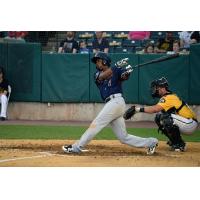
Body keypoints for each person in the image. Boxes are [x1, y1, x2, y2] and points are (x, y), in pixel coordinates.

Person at [62, 52, 158, 155]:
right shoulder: (97, 74)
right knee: (123, 137)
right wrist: (116, 66)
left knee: (97, 123)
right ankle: (151, 142)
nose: (96, 64)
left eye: (98, 61)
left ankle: (77, 147)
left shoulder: (117, 71)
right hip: (112, 104)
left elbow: (124, 76)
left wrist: (127, 72)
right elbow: (102, 77)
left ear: (104, 61)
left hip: (116, 101)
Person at [124, 77, 198, 152]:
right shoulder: (169, 97)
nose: (155, 90)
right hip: (185, 123)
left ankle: (179, 145)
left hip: (190, 124)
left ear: (162, 88)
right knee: (159, 117)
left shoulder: (169, 97)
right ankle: (174, 141)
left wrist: (137, 109)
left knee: (166, 118)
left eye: (157, 88)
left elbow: (155, 109)